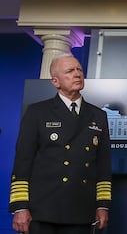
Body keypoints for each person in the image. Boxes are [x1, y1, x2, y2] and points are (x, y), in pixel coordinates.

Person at [9, 53, 112, 234]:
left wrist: (102, 205)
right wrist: (20, 207)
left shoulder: (98, 115)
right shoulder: (37, 112)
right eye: (69, 71)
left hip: (81, 209)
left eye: (79, 69)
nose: (77, 74)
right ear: (55, 81)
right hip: (43, 209)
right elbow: (23, 163)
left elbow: (103, 165)